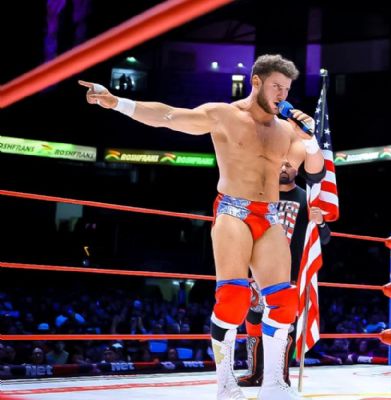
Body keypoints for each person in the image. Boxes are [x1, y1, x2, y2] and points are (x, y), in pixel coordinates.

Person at [80, 53, 325, 400]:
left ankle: (274, 385)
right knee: (234, 298)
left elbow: (314, 169)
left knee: (284, 301)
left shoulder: (285, 130)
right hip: (233, 210)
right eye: (276, 87)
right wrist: (116, 102)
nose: (282, 95)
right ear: (256, 82)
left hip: (269, 214)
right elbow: (168, 116)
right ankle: (225, 384)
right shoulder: (224, 115)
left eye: (286, 89)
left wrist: (310, 138)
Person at [238, 160, 332, 387]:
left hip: (291, 273)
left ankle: (280, 376)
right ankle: (255, 373)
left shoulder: (306, 199)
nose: (283, 169)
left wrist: (320, 223)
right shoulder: (261, 195)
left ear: (297, 169)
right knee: (253, 320)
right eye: (279, 165)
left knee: (285, 325)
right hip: (258, 270)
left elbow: (325, 239)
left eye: (288, 165)